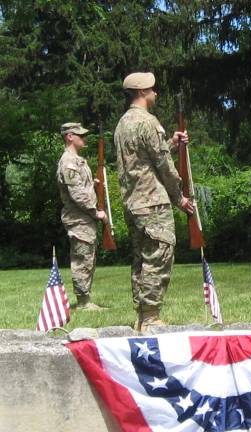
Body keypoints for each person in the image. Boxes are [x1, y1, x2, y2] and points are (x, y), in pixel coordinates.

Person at [114, 72, 193, 331]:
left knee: (141, 259)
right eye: (153, 89)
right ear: (142, 92)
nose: (156, 93)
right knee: (159, 255)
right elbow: (164, 167)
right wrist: (179, 197)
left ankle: (141, 315)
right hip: (152, 202)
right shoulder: (148, 122)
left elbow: (142, 160)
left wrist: (170, 142)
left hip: (133, 202)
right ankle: (150, 318)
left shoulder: (123, 124)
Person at [56, 122, 108, 310]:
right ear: (70, 136)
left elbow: (81, 187)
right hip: (79, 219)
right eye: (80, 135)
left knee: (88, 258)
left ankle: (85, 299)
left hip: (84, 219)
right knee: (82, 259)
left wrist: (93, 184)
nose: (83, 138)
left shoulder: (77, 160)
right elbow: (76, 194)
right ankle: (83, 302)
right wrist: (96, 212)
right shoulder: (68, 162)